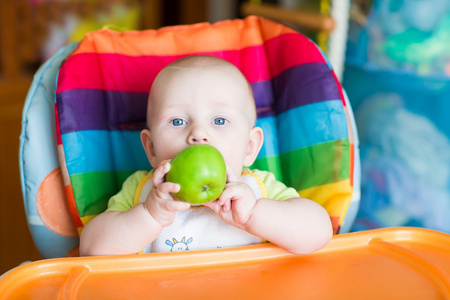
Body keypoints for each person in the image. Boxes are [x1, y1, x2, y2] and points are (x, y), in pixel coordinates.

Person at [80, 55, 333, 256]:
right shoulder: (142, 193)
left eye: (219, 120)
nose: (198, 134)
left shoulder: (258, 190)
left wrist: (254, 215)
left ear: (250, 147)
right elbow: (92, 249)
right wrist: (149, 215)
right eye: (177, 121)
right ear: (152, 149)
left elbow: (320, 232)